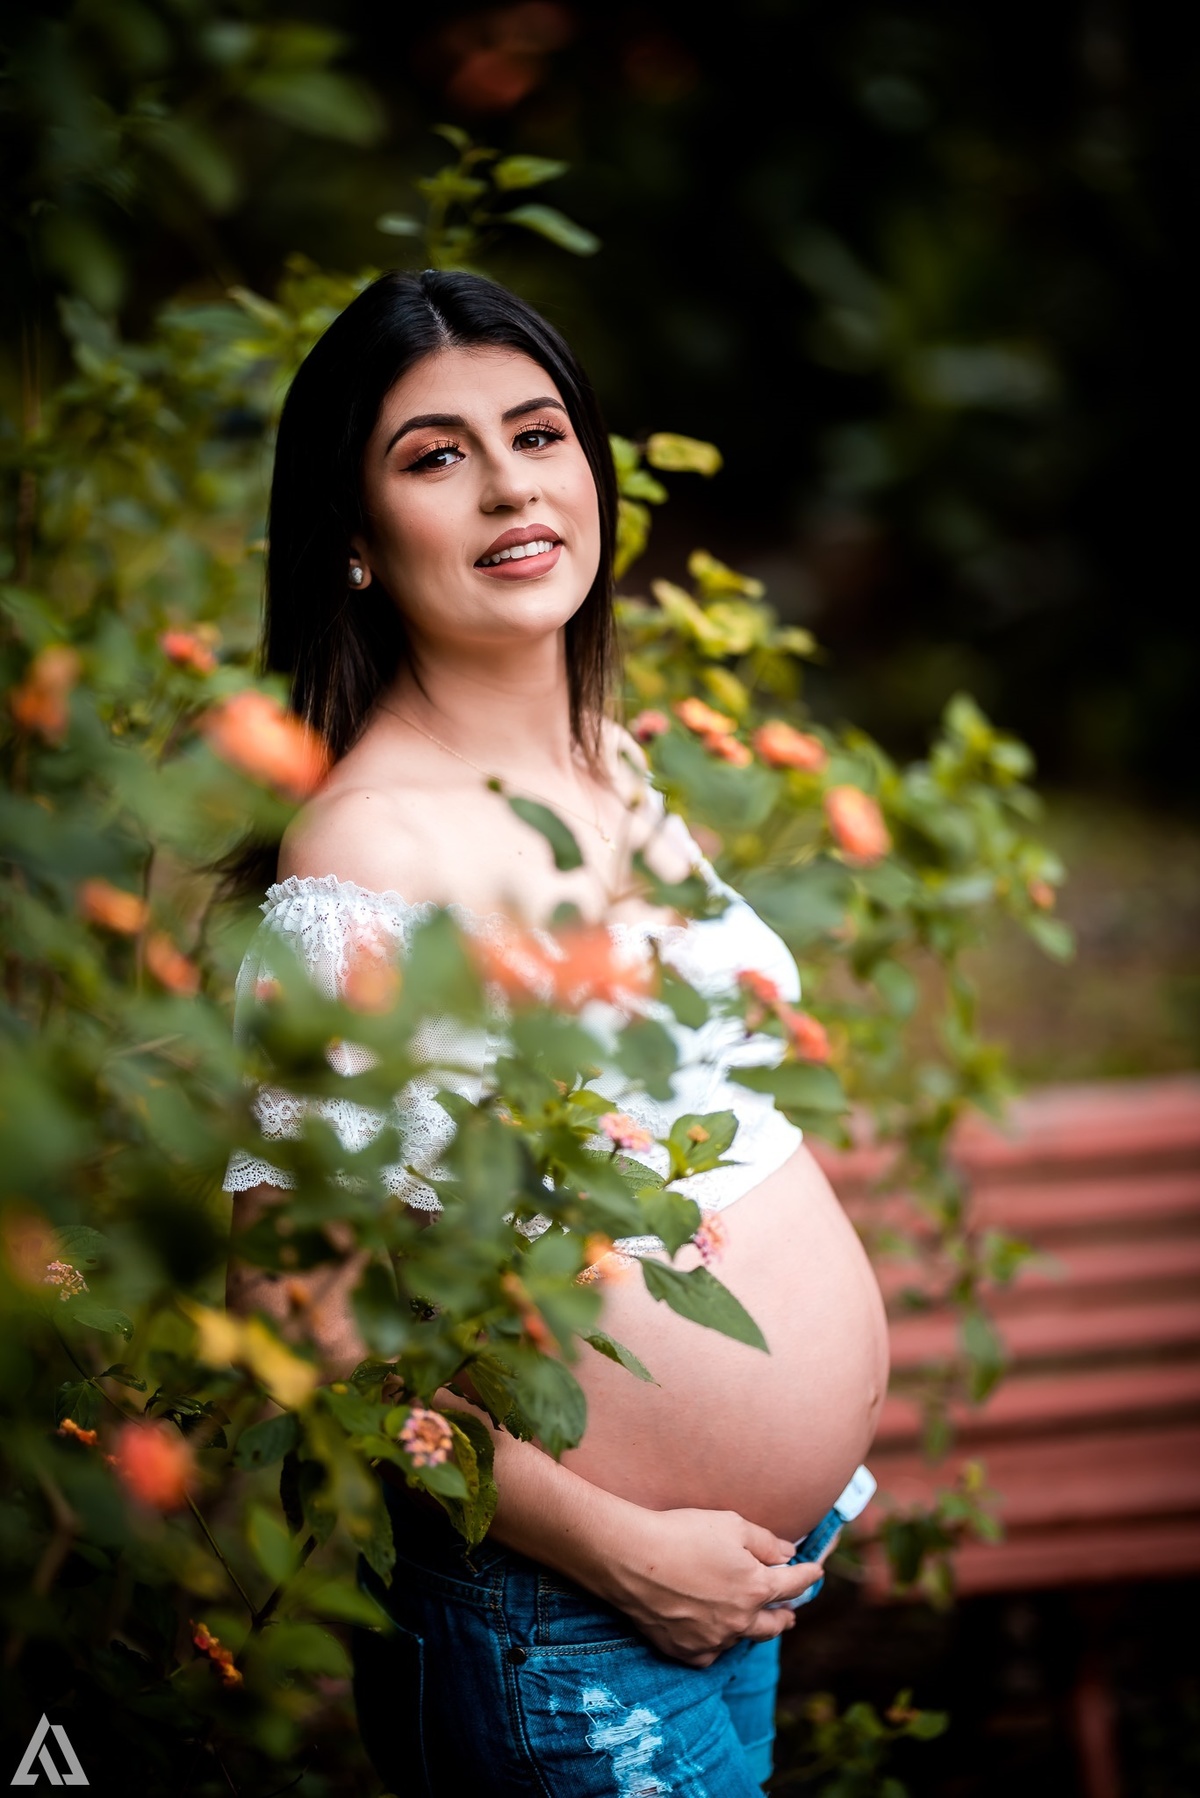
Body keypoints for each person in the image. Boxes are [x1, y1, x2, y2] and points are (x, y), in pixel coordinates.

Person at [223, 269, 889, 1795]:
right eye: (435, 453)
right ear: (353, 539)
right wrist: (622, 1545)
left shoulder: (612, 758)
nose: (513, 481)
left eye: (537, 432)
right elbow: (306, 1315)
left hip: (745, 1583)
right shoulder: (365, 855)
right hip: (570, 1615)